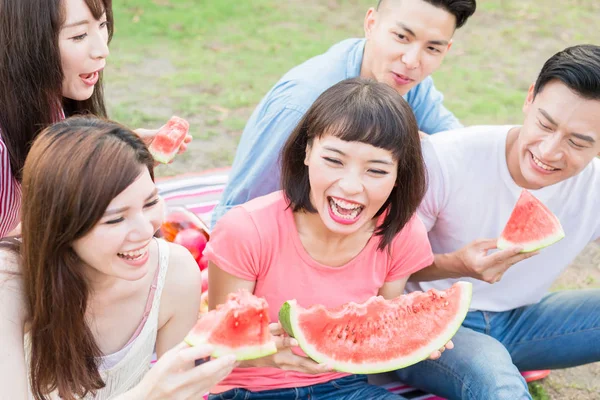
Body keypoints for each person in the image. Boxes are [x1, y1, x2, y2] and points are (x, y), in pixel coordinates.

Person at [204, 78, 453, 400]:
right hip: (248, 391)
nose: (350, 186)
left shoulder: (402, 234)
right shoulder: (245, 229)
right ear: (307, 151)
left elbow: (378, 330)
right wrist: (273, 355)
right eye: (334, 160)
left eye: (375, 171)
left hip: (345, 387)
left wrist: (413, 338)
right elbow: (221, 343)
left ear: (398, 175)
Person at [392, 44, 600, 399]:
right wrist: (455, 265)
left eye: (577, 143)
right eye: (545, 124)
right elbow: (379, 270)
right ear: (529, 98)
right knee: (497, 382)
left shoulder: (594, 186)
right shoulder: (445, 159)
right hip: (429, 326)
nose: (548, 152)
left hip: (522, 324)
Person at [0, 117, 234, 399]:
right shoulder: (9, 278)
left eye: (150, 202)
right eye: (115, 220)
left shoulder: (175, 272)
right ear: (61, 223)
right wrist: (147, 395)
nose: (146, 230)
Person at [211, 0, 477, 226]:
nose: (412, 60)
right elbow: (238, 212)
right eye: (401, 37)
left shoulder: (406, 80)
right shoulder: (301, 103)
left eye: (432, 48)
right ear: (371, 25)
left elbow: (458, 148)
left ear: (446, 49)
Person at [0, 0, 190, 238]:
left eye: (103, 24)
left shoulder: (53, 105)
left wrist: (114, 159)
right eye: (79, 35)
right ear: (24, 42)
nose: (102, 50)